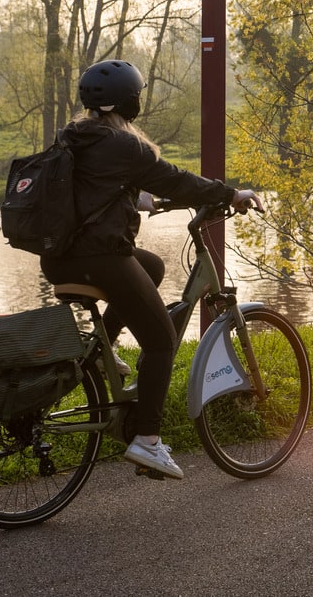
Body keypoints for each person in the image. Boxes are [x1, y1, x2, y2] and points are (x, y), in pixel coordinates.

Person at [42, 59, 261, 480]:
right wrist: (231, 193)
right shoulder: (125, 146)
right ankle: (148, 441)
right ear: (130, 103)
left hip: (58, 258)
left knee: (153, 265)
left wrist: (132, 194)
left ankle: (104, 356)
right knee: (161, 339)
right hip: (100, 260)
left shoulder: (73, 136)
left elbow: (90, 188)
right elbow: (175, 180)